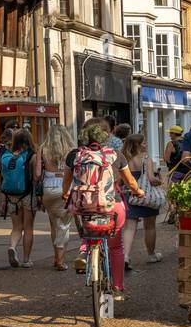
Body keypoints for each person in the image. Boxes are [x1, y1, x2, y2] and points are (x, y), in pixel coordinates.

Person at [66, 120, 144, 301]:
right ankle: (117, 289)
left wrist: (65, 195)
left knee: (87, 223)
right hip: (111, 205)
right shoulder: (115, 155)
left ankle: (84, 251)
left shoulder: (74, 156)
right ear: (105, 137)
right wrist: (138, 191)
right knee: (116, 246)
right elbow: (131, 182)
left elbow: (66, 183)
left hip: (83, 204)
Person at [120, 133, 162, 268]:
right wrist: (159, 181)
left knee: (129, 227)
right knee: (149, 226)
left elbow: (120, 180)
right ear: (137, 145)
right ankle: (151, 255)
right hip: (146, 196)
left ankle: (125, 256)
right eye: (144, 143)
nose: (146, 144)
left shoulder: (124, 159)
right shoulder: (146, 159)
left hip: (129, 195)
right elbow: (151, 179)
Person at [1, 129, 41, 267]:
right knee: (28, 227)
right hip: (27, 195)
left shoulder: (7, 156)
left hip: (11, 196)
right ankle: (26, 259)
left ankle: (12, 247)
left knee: (17, 227)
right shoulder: (32, 156)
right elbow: (36, 177)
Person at [39, 124, 74, 271]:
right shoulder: (71, 150)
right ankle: (60, 260)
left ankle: (56, 257)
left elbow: (36, 174)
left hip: (47, 189)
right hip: (64, 187)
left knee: (54, 223)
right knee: (64, 225)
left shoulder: (42, 149)